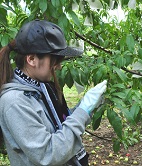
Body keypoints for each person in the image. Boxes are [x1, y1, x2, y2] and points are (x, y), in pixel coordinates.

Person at [0, 19, 107, 166]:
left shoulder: (41, 88)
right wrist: (82, 112)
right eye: (55, 60)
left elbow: (61, 126)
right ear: (31, 59)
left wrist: (87, 107)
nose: (58, 67)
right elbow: (48, 154)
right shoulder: (15, 102)